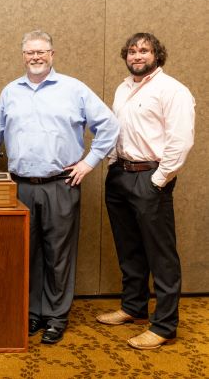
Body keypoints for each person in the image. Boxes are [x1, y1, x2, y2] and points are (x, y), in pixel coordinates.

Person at [0, 30, 119, 344]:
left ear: (52, 54)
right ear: (23, 56)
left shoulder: (74, 89)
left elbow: (109, 125)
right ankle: (32, 313)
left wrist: (89, 162)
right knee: (26, 253)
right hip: (21, 187)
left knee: (58, 255)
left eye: (41, 51)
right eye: (30, 52)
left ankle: (56, 316)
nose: (36, 57)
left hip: (60, 185)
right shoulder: (10, 92)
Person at [96, 33, 195, 350]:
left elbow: (180, 140)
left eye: (145, 50)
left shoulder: (172, 90)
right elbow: (117, 129)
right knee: (129, 248)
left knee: (161, 254)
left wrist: (159, 179)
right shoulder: (123, 88)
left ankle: (164, 326)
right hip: (120, 174)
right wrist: (112, 163)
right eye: (132, 51)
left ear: (157, 54)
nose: (137, 55)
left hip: (150, 177)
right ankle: (133, 307)